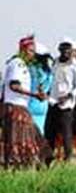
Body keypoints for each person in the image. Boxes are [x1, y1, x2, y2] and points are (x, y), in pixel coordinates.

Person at [2, 36, 50, 169]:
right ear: (23, 50)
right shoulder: (18, 64)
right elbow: (14, 86)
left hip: (18, 106)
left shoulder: (20, 64)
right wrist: (34, 95)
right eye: (30, 51)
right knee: (19, 140)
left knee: (30, 138)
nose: (32, 54)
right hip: (16, 107)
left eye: (33, 51)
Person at [45, 38, 76, 161]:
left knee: (66, 132)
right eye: (64, 51)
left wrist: (67, 96)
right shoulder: (55, 63)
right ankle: (48, 158)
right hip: (52, 101)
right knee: (49, 131)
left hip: (66, 104)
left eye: (69, 51)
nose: (67, 54)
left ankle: (67, 159)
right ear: (60, 51)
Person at [28, 43, 54, 135]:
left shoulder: (30, 69)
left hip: (30, 104)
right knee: (40, 133)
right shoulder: (49, 72)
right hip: (43, 105)